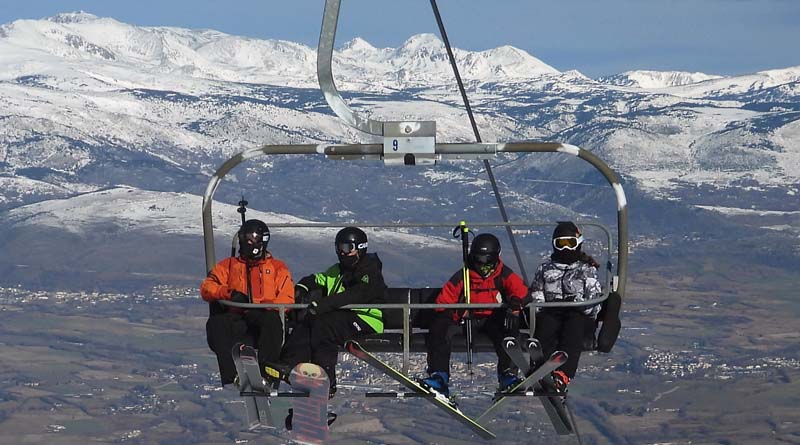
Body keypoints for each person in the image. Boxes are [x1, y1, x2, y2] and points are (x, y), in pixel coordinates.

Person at [280, 227, 387, 397]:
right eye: (339, 248)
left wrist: (325, 304)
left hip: (365, 319)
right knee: (309, 320)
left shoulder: (368, 271)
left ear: (359, 248)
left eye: (347, 248)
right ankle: (289, 364)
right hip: (340, 318)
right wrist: (302, 286)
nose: (342, 253)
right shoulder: (337, 270)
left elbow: (359, 293)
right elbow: (319, 279)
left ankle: (325, 379)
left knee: (325, 325)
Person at [421, 233, 530, 398]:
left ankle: (508, 375)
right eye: (478, 260)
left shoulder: (503, 274)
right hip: (466, 321)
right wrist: (459, 311)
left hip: (493, 319)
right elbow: (443, 303)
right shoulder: (463, 276)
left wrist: (515, 303)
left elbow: (522, 292)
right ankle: (439, 376)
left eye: (487, 261)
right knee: (440, 327)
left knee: (508, 329)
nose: (482, 265)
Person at [201, 219, 294, 386]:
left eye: (251, 239)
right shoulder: (230, 265)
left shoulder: (277, 268)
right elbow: (208, 287)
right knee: (217, 324)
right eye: (244, 238)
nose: (247, 243)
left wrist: (265, 305)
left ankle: (267, 373)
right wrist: (229, 294)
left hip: (264, 318)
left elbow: (287, 299)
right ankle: (232, 376)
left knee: (271, 320)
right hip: (239, 318)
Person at [529, 221, 602, 393]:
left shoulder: (586, 270)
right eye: (560, 244)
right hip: (553, 312)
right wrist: (541, 308)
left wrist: (579, 307)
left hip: (579, 316)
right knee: (546, 324)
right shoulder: (545, 269)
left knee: (573, 326)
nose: (566, 249)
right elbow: (537, 293)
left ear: (578, 243)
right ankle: (539, 368)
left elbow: (593, 300)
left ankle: (563, 374)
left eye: (570, 243)